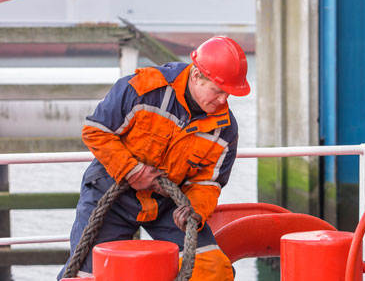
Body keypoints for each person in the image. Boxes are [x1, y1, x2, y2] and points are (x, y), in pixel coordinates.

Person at [58, 36, 250, 280]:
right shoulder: (142, 89)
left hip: (168, 204)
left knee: (212, 269)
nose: (223, 100)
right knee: (86, 274)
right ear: (196, 76)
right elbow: (96, 131)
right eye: (218, 91)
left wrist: (195, 210)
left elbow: (207, 183)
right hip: (111, 191)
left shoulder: (225, 129)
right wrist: (131, 170)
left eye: (229, 94)